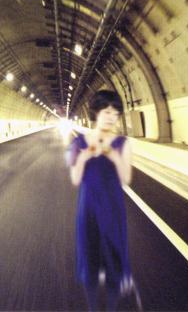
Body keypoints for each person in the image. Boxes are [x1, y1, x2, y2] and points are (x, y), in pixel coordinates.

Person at [66, 90, 134, 311]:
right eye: (107, 112)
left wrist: (113, 156)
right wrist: (85, 157)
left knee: (114, 259)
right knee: (90, 258)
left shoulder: (123, 143)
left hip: (113, 208)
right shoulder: (79, 142)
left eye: (115, 113)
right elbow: (75, 179)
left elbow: (126, 179)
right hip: (88, 208)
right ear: (96, 112)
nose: (111, 117)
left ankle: (111, 307)